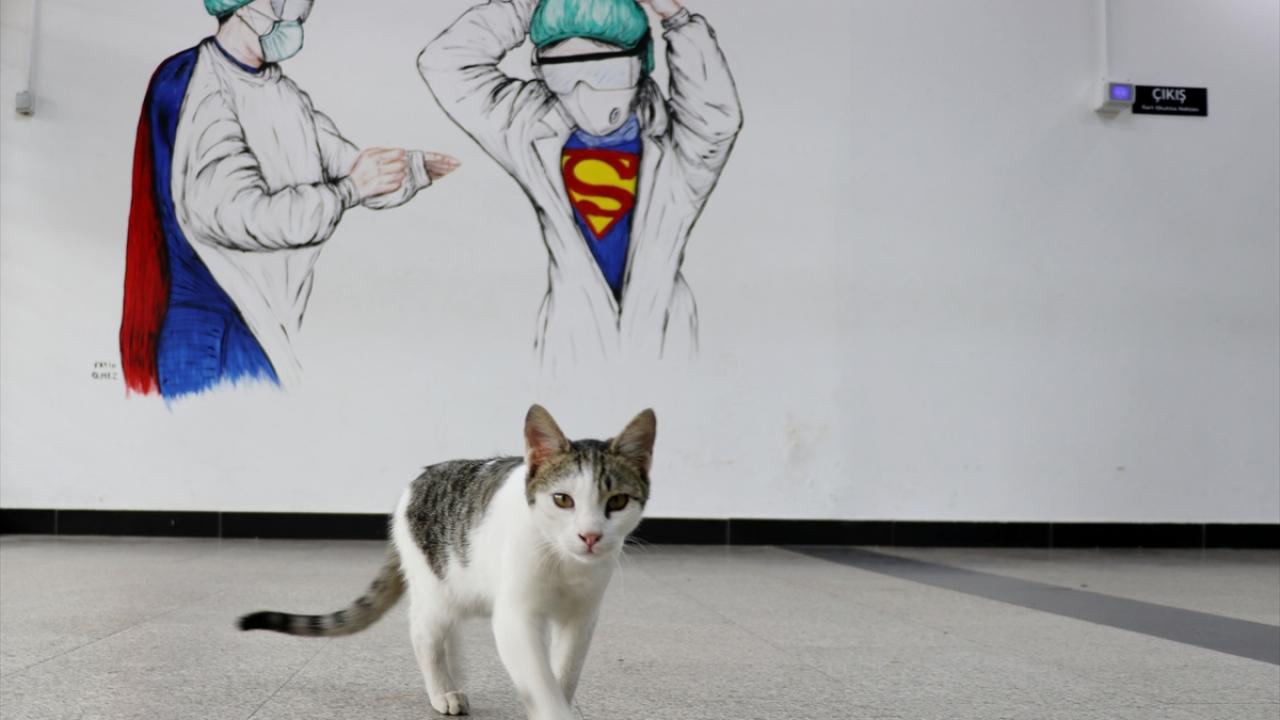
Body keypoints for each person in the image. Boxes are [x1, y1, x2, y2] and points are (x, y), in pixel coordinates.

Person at [120, 0, 460, 400]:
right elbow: (240, 214)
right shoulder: (202, 86)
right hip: (214, 334)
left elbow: (346, 164)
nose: (297, 14)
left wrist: (418, 169)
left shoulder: (283, 93)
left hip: (266, 330)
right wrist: (348, 190)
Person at [420, 0, 741, 369]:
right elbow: (444, 62)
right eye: (562, 73)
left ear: (642, 61)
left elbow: (717, 119)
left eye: (605, 71)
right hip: (570, 349)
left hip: (666, 346)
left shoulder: (677, 148)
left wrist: (678, 21)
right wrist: (527, 5)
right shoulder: (530, 127)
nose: (583, 91)